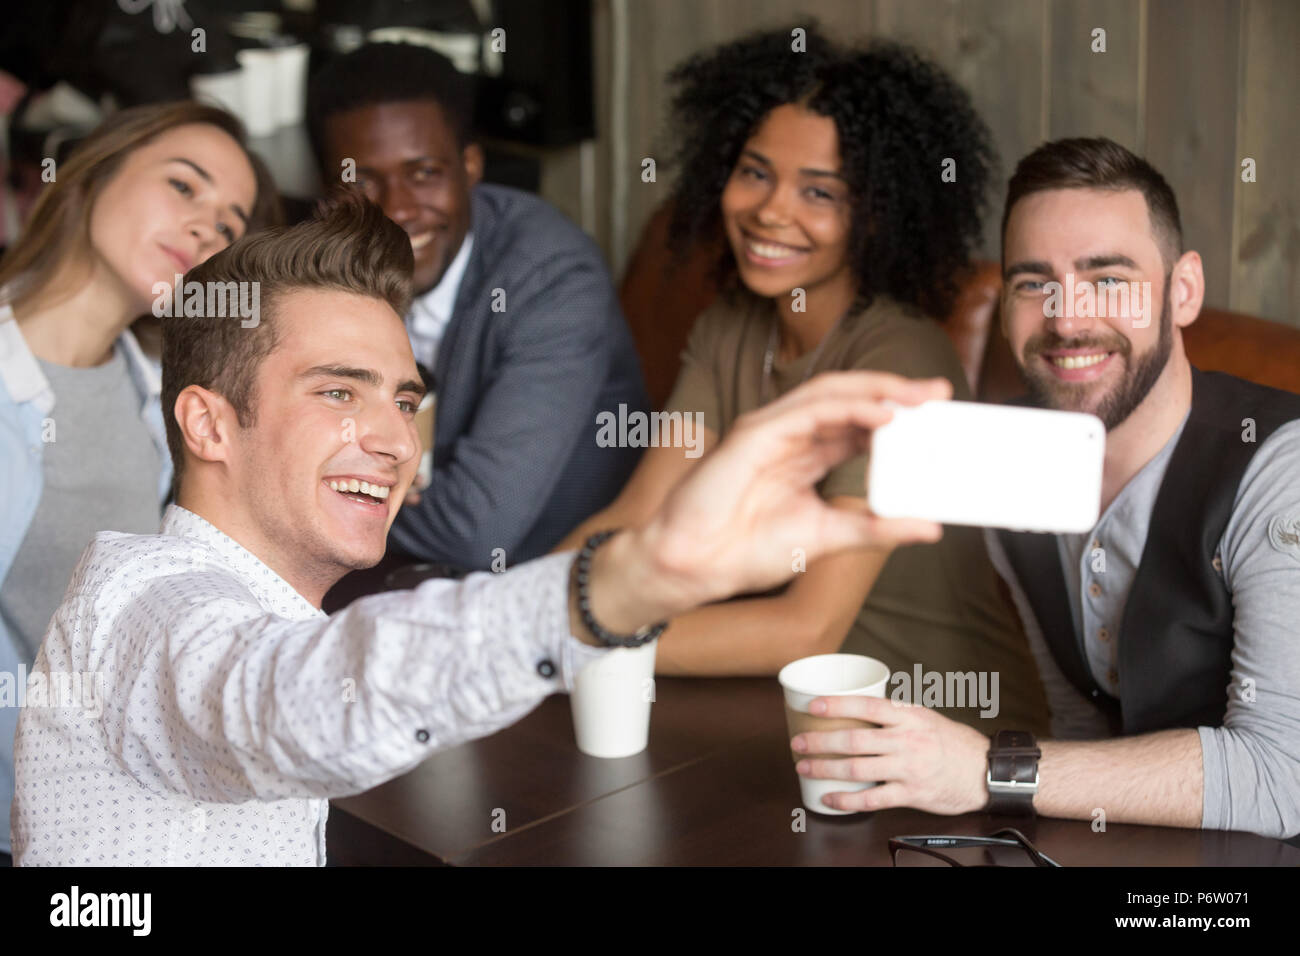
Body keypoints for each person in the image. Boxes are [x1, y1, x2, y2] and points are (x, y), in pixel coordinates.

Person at [9, 194, 949, 865]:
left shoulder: (258, 607)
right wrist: (627, 582)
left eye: (404, 400)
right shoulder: (145, 611)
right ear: (209, 424)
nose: (391, 441)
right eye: (338, 391)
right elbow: (289, 703)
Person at [792, 137, 1300, 844]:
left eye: (1108, 278)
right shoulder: (1003, 457)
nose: (1066, 319)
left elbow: (1286, 776)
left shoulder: (1280, 468)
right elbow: (1082, 728)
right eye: (1034, 283)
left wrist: (981, 771)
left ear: (1182, 291)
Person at [557, 26, 1049, 735]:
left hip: (941, 736)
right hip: (792, 719)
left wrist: (574, 639)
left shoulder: (899, 359)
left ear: (876, 213)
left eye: (819, 191)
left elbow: (804, 629)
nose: (771, 211)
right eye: (755, 172)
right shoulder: (729, 329)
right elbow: (632, 520)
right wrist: (502, 616)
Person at [0, 101, 279, 866]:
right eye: (184, 187)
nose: (205, 228)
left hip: (109, 821)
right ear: (96, 171)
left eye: (229, 224)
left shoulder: (161, 399)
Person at [305, 42, 649, 574]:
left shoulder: (553, 280)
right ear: (326, 193)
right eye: (364, 181)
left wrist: (308, 495)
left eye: (423, 173)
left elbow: (474, 531)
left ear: (470, 165)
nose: (396, 210)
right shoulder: (318, 264)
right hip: (394, 573)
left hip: (534, 586)